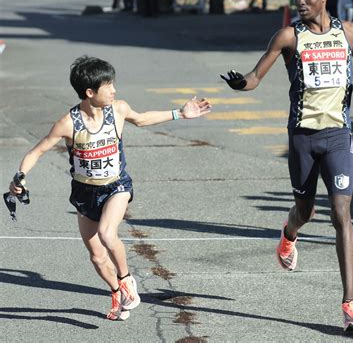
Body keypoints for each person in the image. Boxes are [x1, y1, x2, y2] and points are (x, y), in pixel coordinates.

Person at [221, 0, 353, 331]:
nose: (300, 2)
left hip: (339, 136)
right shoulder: (289, 36)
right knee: (305, 211)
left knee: (342, 214)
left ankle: (350, 302)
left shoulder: (350, 31)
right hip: (303, 138)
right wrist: (239, 83)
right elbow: (255, 77)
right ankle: (289, 234)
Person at [7, 56, 211, 320]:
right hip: (85, 193)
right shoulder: (68, 124)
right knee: (96, 256)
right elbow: (37, 151)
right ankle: (116, 291)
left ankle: (126, 279)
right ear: (90, 92)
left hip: (116, 186)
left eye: (113, 84)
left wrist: (180, 113)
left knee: (107, 232)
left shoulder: (118, 109)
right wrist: (19, 177)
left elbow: (142, 119)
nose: (114, 90)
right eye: (108, 86)